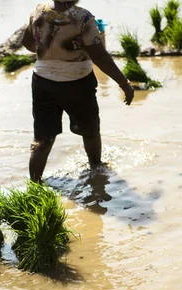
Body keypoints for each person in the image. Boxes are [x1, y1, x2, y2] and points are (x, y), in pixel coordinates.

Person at [21, 0, 134, 183]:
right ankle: (97, 171)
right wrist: (123, 83)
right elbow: (99, 56)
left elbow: (27, 42)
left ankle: (34, 184)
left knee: (42, 139)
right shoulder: (83, 17)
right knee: (90, 131)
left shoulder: (39, 11)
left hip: (42, 83)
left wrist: (48, 50)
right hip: (78, 84)